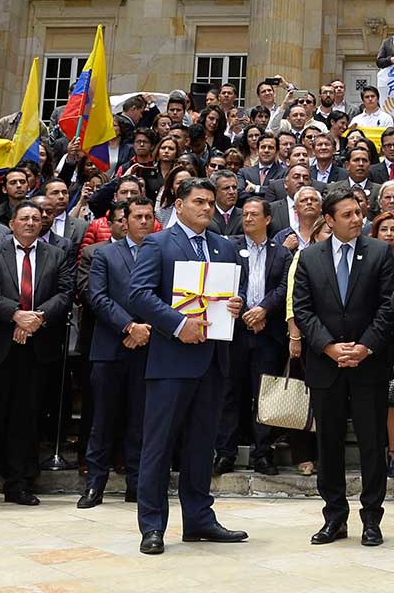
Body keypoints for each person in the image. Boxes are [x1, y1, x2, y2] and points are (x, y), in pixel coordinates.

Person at [126, 177, 248, 555]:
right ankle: (152, 526)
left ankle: (199, 519)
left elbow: (228, 295)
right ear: (178, 205)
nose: (206, 208)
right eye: (198, 201)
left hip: (213, 360)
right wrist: (179, 324)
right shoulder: (158, 243)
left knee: (201, 446)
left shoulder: (224, 246)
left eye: (211, 203)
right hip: (171, 360)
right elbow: (139, 294)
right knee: (159, 446)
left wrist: (235, 305)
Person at [292, 185, 394, 546]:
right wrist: (329, 347)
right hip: (326, 364)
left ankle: (372, 518)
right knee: (330, 444)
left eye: (359, 212)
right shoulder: (310, 258)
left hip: (369, 364)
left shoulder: (380, 252)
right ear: (329, 220)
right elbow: (303, 311)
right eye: (348, 214)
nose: (357, 219)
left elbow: (388, 307)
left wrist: (365, 346)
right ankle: (334, 517)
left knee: (372, 442)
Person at [0, 200, 76, 509]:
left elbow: (66, 294)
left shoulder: (58, 255)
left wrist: (36, 318)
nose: (31, 222)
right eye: (24, 218)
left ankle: (20, 484)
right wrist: (16, 315)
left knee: (26, 418)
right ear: (11, 223)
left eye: (36, 218)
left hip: (37, 347)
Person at [78, 199, 155, 508]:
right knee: (103, 420)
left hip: (149, 347)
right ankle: (95, 485)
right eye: (138, 216)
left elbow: (163, 296)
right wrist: (128, 327)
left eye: (149, 216)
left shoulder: (159, 252)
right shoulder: (104, 254)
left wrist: (144, 329)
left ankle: (137, 486)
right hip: (110, 347)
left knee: (140, 420)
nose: (144, 221)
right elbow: (97, 297)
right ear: (124, 221)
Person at [217, 195, 292, 476]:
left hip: (268, 332)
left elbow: (285, 287)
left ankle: (263, 453)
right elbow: (225, 280)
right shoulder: (228, 247)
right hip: (235, 331)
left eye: (253, 214)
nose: (247, 218)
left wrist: (263, 311)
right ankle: (226, 452)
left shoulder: (282, 252)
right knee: (230, 392)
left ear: (268, 219)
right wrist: (247, 309)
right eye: (245, 214)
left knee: (266, 395)